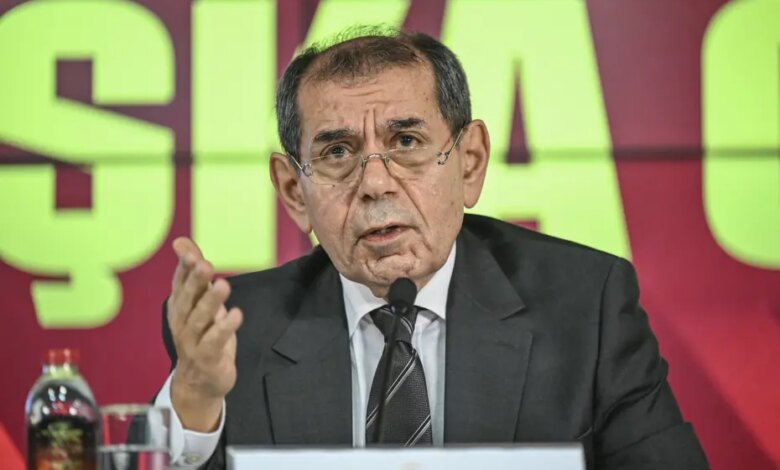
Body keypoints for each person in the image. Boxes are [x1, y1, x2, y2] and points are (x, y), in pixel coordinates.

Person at [155, 27, 709, 469]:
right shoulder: (234, 333)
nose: (375, 184)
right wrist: (196, 399)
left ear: (469, 163)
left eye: (406, 142)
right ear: (294, 191)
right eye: (338, 152)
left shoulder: (586, 307)